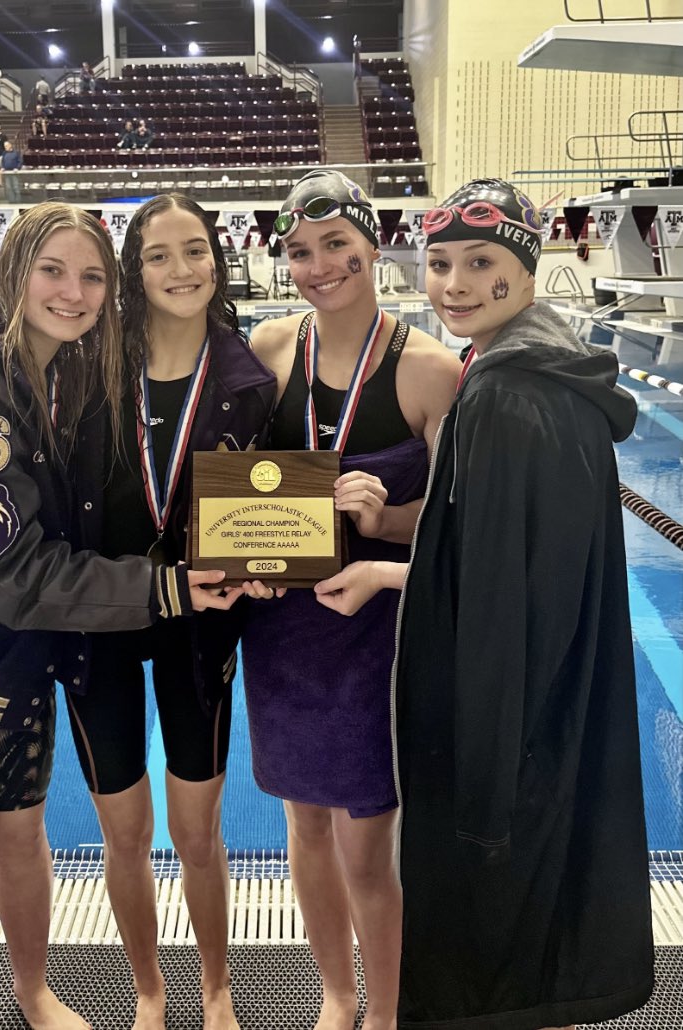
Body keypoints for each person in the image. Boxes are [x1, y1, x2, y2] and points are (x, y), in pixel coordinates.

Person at [0, 202, 240, 1030]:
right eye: (54, 271)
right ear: (15, 268)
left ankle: (32, 992)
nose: (74, 292)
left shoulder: (55, 364)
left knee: (24, 838)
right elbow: (11, 575)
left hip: (14, 651)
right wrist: (167, 587)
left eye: (92, 275)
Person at [314, 178, 655, 1030]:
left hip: (509, 730)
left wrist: (484, 800)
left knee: (493, 949)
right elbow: (504, 561)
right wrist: (394, 567)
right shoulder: (533, 375)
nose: (454, 284)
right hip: (550, 706)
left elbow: (498, 600)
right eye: (437, 264)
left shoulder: (505, 395)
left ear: (528, 272)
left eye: (481, 262)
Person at [240, 169, 461, 1030]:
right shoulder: (267, 350)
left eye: (337, 246)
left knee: (367, 851)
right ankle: (337, 995)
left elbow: (456, 535)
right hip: (284, 632)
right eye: (299, 251)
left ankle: (387, 1012)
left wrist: (389, 514)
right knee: (303, 832)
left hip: (373, 636)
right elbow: (236, 491)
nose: (318, 265)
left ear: (374, 248)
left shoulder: (429, 372)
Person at [64, 193, 275, 1030]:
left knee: (197, 832)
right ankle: (150, 989)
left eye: (195, 251)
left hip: (201, 631)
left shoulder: (250, 382)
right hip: (100, 629)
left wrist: (278, 556)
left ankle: (215, 985)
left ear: (217, 261)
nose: (180, 270)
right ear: (134, 269)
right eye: (158, 255)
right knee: (122, 834)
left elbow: (275, 507)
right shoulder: (86, 369)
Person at [0, 139, 22, 203]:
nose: (5, 147)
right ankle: (11, 201)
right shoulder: (4, 153)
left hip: (14, 172)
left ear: (10, 145)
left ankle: (18, 201)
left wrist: (17, 168)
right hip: (7, 172)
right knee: (9, 187)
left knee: (16, 186)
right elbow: (3, 161)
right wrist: (3, 167)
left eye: (6, 146)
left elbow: (20, 161)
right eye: (4, 146)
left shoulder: (16, 152)